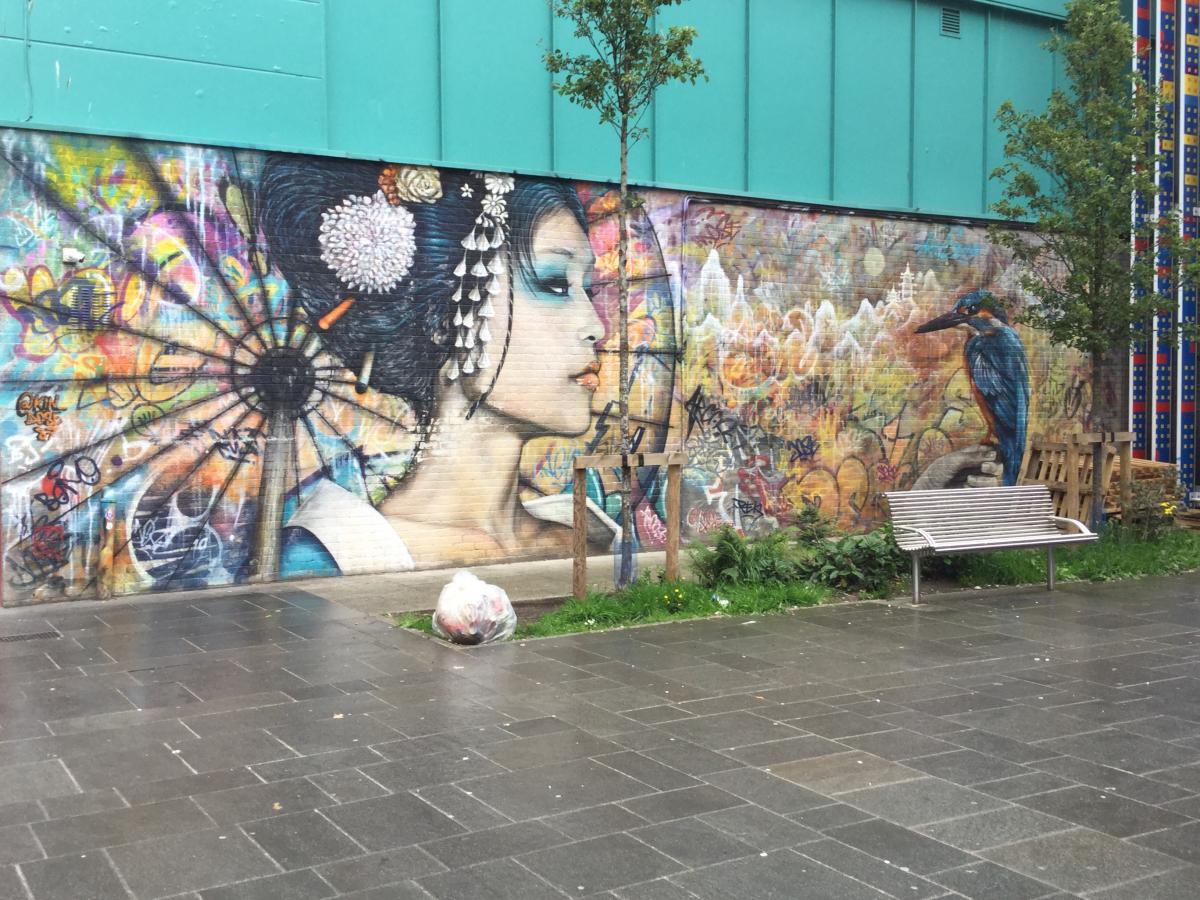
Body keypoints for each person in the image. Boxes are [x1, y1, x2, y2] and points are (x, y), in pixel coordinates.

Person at [259, 158, 614, 575]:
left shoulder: (590, 538)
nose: (596, 326)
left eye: (587, 290)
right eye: (554, 284)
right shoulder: (333, 555)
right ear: (445, 318)